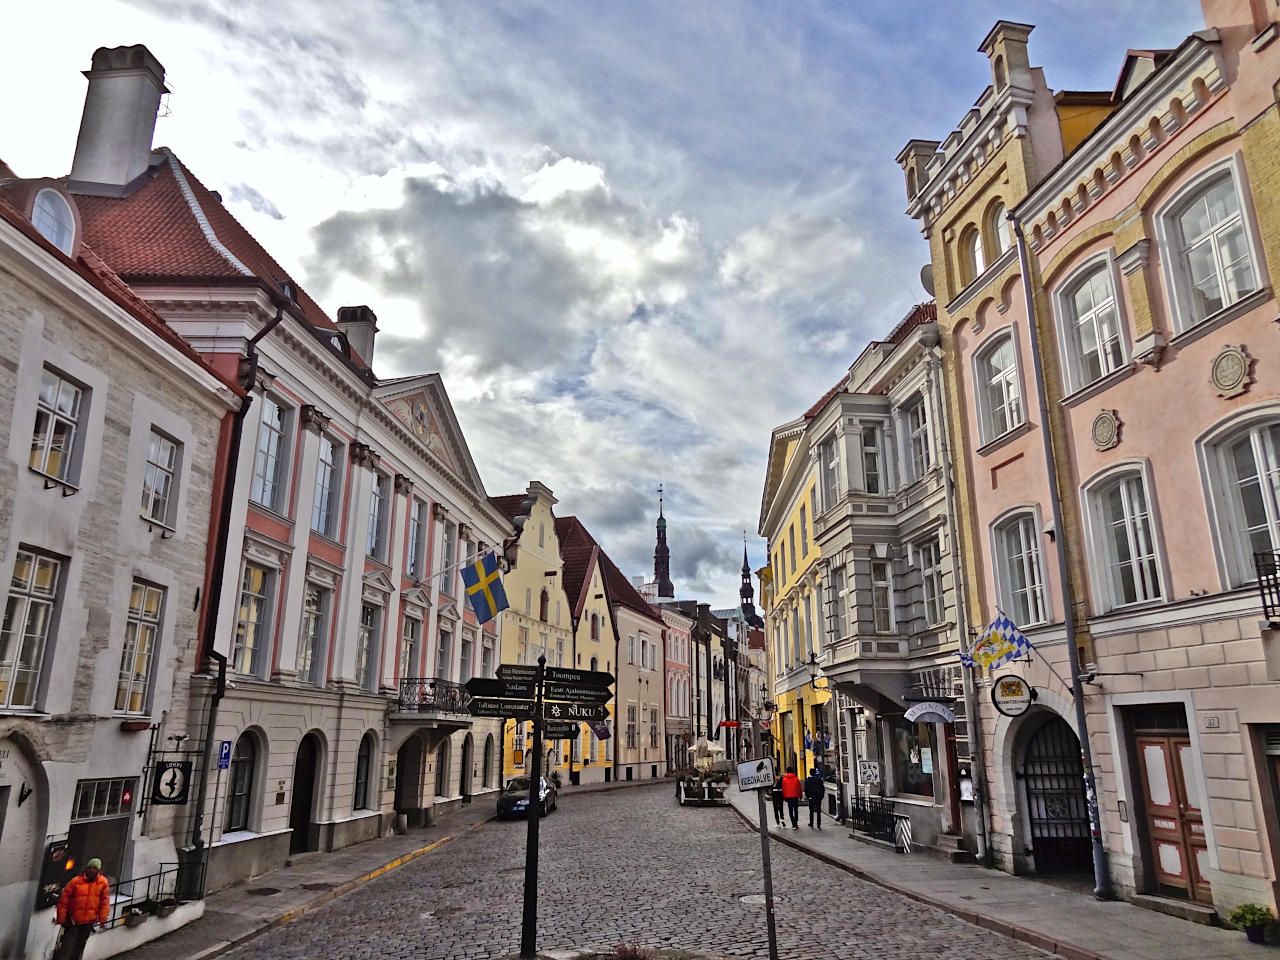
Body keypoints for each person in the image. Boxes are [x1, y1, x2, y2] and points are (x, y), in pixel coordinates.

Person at [54, 857, 110, 960]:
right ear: (86, 868)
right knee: (67, 947)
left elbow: (104, 902)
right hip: (73, 921)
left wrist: (102, 919)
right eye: (90, 867)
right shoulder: (75, 882)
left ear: (99, 870)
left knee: (80, 946)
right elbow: (63, 901)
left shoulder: (103, 883)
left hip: (89, 921)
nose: (92, 870)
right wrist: (61, 918)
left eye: (94, 868)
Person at [780, 765, 802, 829]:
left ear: (787, 771)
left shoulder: (784, 779)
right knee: (796, 810)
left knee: (790, 810)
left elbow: (784, 789)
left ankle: (793, 823)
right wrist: (800, 796)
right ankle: (796, 822)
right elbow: (799, 788)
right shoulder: (796, 779)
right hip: (795, 796)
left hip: (788, 797)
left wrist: (784, 797)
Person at [804, 765, 826, 830]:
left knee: (811, 811)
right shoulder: (819, 780)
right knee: (818, 811)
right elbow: (822, 789)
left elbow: (806, 790)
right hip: (818, 797)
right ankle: (818, 825)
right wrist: (821, 796)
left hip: (811, 798)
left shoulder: (808, 780)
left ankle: (811, 823)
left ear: (810, 773)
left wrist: (808, 796)